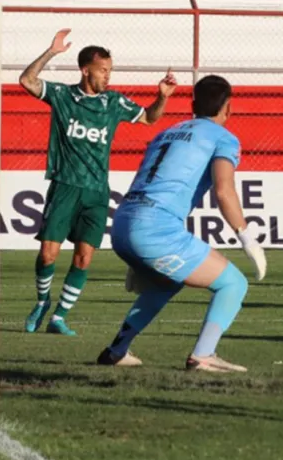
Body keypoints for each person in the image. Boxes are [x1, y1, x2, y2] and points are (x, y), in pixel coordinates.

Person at [96, 75, 267, 372]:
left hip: (123, 221)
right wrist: (247, 237)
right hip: (154, 228)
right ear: (228, 108)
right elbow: (224, 190)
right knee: (233, 283)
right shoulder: (223, 137)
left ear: (192, 105)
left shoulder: (166, 132)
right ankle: (203, 355)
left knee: (165, 284)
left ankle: (116, 351)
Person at [20, 29, 176, 337]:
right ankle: (41, 302)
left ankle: (59, 317)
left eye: (110, 70)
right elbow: (27, 81)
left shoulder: (113, 102)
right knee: (48, 254)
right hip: (65, 185)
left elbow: (149, 119)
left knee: (84, 257)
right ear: (85, 69)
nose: (107, 76)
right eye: (103, 70)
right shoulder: (63, 96)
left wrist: (162, 97)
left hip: (96, 191)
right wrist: (51, 52)